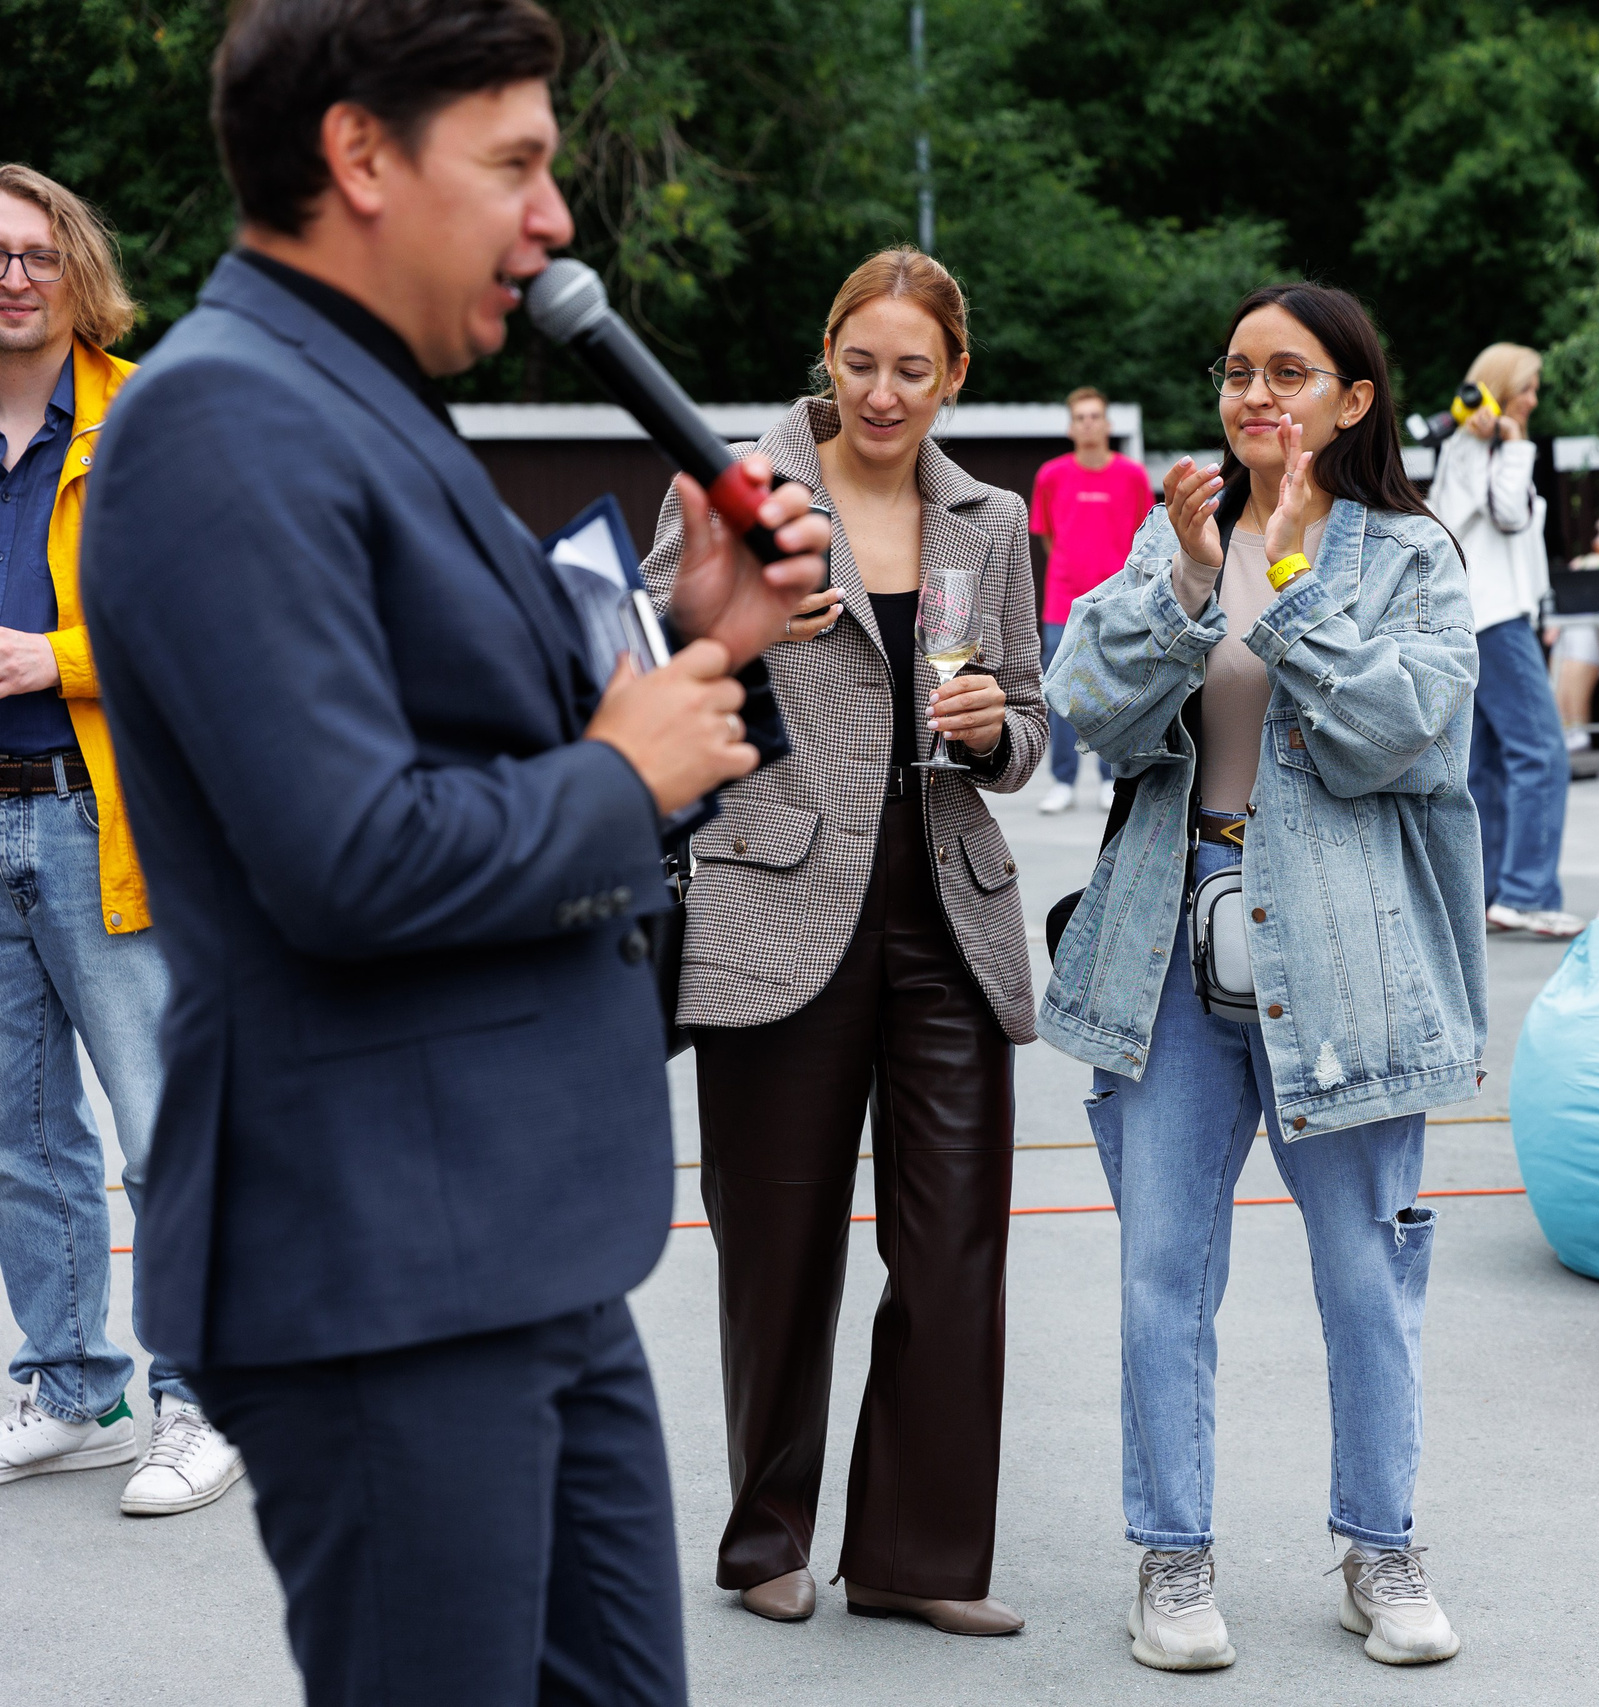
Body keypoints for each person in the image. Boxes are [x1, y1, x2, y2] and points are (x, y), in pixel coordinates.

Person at [78, 3, 830, 1699]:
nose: (554, 220)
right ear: (359, 154)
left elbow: (492, 749)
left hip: (510, 1237)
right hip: (379, 1264)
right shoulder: (221, 421)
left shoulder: (360, 399)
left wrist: (700, 646)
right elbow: (347, 857)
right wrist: (622, 775)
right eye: (515, 164)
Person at [1042, 281, 1482, 1673]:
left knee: (1364, 1268)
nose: (1255, 395)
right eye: (1237, 371)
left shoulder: (1409, 555)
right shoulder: (1174, 536)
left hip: (1347, 958)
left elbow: (1399, 737)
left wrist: (1288, 585)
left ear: (1353, 399)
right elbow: (1087, 706)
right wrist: (1187, 588)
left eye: (1289, 372)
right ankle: (1172, 1557)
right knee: (1162, 1271)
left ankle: (1380, 1545)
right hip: (1171, 943)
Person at [645, 247, 1043, 1635]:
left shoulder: (992, 520)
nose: (882, 392)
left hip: (949, 916)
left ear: (955, 377)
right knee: (778, 1249)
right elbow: (645, 668)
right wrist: (733, 627)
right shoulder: (735, 489)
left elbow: (1029, 722)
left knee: (954, 1250)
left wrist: (994, 731)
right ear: (827, 354)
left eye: (912, 370)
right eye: (860, 362)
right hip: (775, 906)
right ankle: (767, 1536)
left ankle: (915, 1558)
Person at [0, 166, 246, 1517]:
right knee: (20, 1137)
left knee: (163, 1129)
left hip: (108, 816)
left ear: (76, 269)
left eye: (37, 254)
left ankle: (203, 1397)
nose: (14, 278)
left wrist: (58, 657)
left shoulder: (150, 416)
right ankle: (71, 1385)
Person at [1429, 341, 1578, 937]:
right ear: (1498, 391)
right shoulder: (1480, 449)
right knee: (1541, 753)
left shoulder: (1466, 451)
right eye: (1527, 388)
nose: (1534, 400)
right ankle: (1527, 893)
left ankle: (1487, 894)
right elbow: (1510, 514)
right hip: (1495, 620)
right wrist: (1514, 444)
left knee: (1486, 763)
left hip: (1485, 616)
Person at [1031, 386, 1149, 813]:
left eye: (1095, 416)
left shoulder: (1132, 476)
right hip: (1062, 602)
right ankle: (1062, 782)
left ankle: (1108, 777)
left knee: (1111, 691)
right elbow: (1047, 535)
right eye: (1080, 417)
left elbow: (1144, 538)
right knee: (1060, 692)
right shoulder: (1051, 475)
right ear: (1071, 427)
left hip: (1116, 604)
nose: (1088, 423)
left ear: (1107, 424)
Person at [1545, 512, 1599, 753]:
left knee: (1577, 672)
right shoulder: (1579, 563)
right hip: (1568, 630)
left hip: (1593, 631)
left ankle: (1577, 728)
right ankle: (1562, 729)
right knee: (1558, 675)